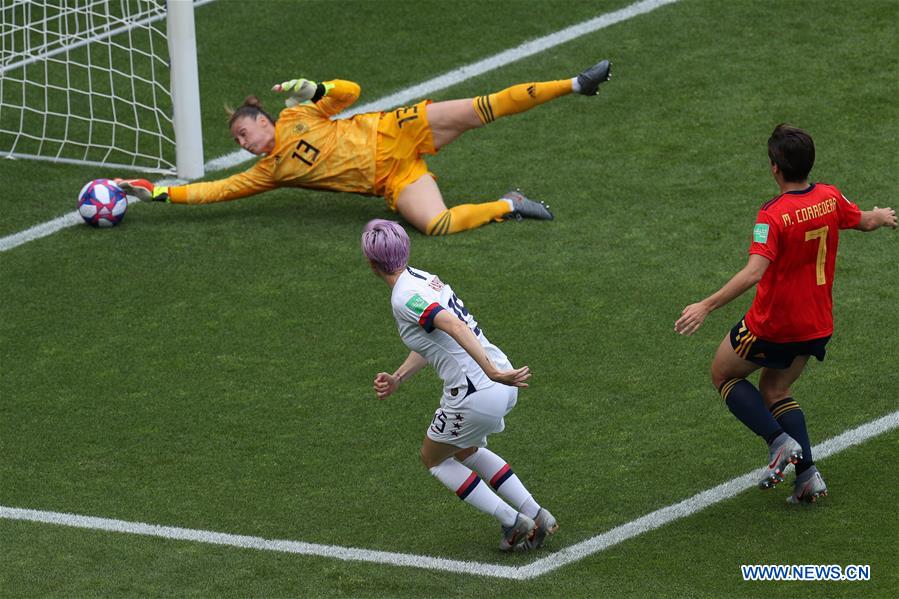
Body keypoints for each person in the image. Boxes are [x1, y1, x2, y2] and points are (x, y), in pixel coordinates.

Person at [116, 60, 612, 235]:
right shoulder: (268, 174)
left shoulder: (298, 113)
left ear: (264, 121)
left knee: (484, 106)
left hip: (397, 130)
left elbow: (350, 92)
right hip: (391, 180)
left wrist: (315, 88)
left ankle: (574, 84)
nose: (244, 146)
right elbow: (214, 192)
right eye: (240, 142)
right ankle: (510, 204)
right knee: (436, 226)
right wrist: (155, 193)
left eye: (244, 134)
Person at [674, 123, 896, 504]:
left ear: (775, 167)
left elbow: (754, 272)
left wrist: (705, 305)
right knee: (776, 389)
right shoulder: (829, 196)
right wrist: (881, 214)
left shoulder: (772, 215)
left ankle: (778, 442)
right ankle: (807, 476)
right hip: (817, 324)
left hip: (773, 325)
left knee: (723, 374)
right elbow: (865, 221)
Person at [362, 218, 557, 551]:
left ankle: (513, 522)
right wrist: (398, 378)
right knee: (464, 449)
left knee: (434, 458)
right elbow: (434, 340)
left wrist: (490, 372)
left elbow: (451, 325)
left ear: (372, 263)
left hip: (477, 391)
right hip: (500, 381)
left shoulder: (402, 297)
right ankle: (536, 513)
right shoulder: (423, 278)